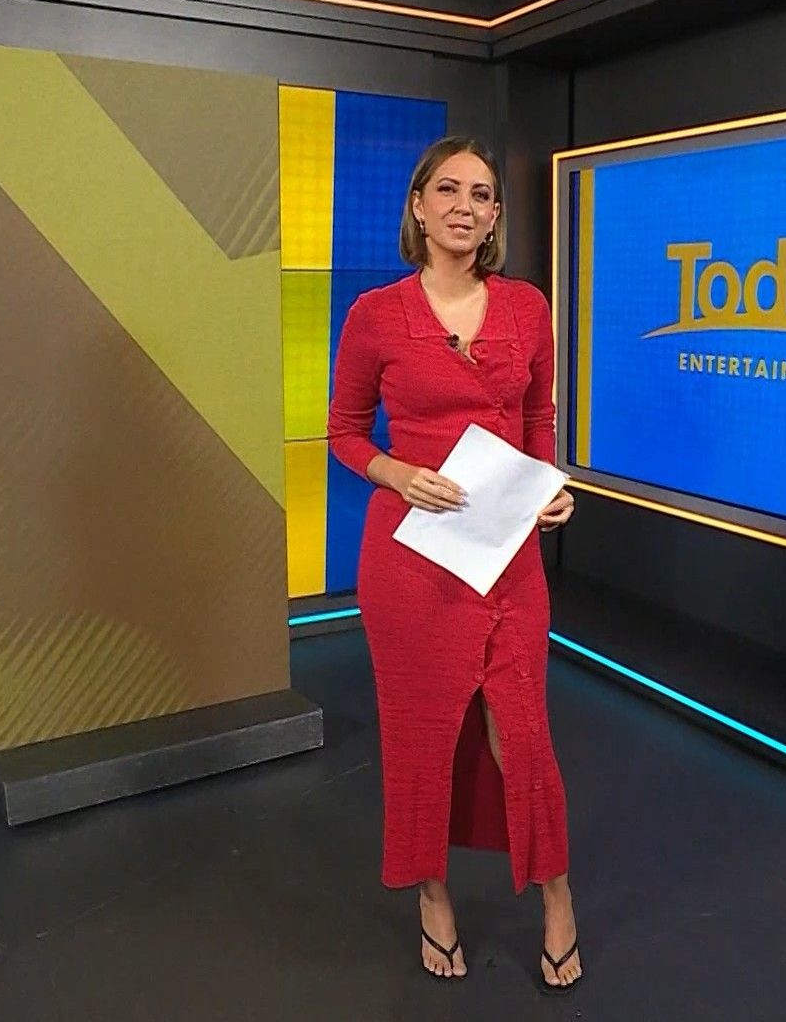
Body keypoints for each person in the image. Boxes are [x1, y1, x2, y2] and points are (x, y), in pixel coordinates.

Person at [325, 135, 582, 994]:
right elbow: (344, 433)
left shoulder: (526, 307)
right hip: (413, 562)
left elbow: (539, 420)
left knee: (523, 732)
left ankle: (557, 897)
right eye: (448, 190)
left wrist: (551, 487)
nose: (465, 206)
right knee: (421, 736)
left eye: (480, 194)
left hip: (507, 558)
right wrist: (396, 473)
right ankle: (432, 897)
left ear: (495, 216)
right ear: (418, 205)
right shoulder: (376, 315)